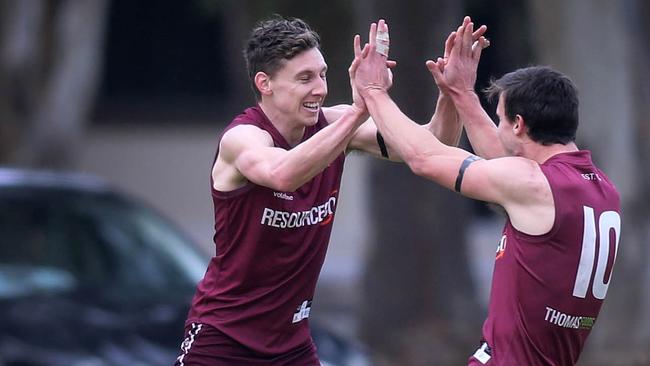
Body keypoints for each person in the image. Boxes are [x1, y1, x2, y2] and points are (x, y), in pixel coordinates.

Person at [174, 16, 482, 365]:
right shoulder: (242, 138)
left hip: (291, 345)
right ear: (265, 83)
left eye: (322, 74)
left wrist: (453, 93)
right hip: (224, 340)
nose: (319, 88)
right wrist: (362, 107)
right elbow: (282, 173)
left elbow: (434, 145)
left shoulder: (335, 126)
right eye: (304, 78)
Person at [353, 16, 621, 366]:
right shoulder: (600, 188)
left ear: (519, 125)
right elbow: (503, 164)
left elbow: (424, 157)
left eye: (500, 119)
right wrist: (462, 94)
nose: (497, 127)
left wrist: (373, 92)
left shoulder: (531, 183)